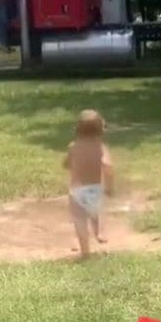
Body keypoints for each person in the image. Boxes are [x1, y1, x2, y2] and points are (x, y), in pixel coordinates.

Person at [62, 109, 114, 259]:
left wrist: (69, 163)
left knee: (79, 220)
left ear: (78, 128)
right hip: (95, 189)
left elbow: (66, 163)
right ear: (100, 128)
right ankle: (98, 232)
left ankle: (85, 252)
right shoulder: (100, 147)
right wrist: (110, 186)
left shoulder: (73, 146)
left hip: (77, 190)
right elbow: (108, 166)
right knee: (94, 212)